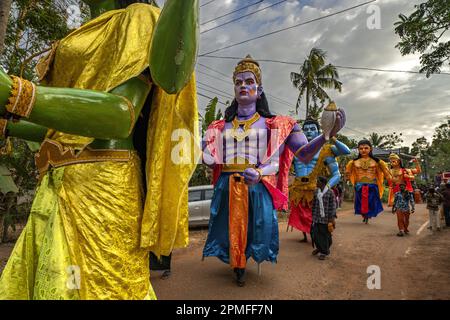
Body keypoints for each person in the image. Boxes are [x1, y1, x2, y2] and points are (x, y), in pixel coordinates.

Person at [0, 0, 198, 299]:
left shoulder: (138, 16)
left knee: (101, 288)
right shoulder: (79, 32)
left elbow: (121, 115)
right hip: (53, 190)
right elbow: (60, 129)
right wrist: (8, 125)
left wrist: (13, 93)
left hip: (103, 188)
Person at [202, 55, 346, 286]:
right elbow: (209, 160)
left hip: (257, 186)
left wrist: (326, 136)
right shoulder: (218, 125)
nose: (243, 86)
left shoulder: (279, 124)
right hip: (227, 185)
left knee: (257, 228)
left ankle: (245, 260)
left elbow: (304, 154)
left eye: (249, 81)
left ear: (259, 90)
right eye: (238, 82)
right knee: (228, 228)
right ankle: (237, 264)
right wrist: (205, 151)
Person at [288, 117, 350, 242]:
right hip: (298, 190)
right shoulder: (296, 150)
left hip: (316, 190)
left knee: (317, 216)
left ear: (318, 132)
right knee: (300, 215)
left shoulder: (325, 149)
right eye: (306, 130)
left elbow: (345, 155)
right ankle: (305, 236)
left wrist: (331, 137)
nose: (309, 132)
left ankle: (319, 237)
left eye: (312, 129)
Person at [345, 140, 392, 224]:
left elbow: (387, 174)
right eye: (361, 148)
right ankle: (365, 215)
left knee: (371, 203)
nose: (363, 150)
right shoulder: (352, 162)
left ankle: (368, 215)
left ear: (371, 149)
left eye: (366, 148)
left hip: (372, 186)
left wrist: (391, 180)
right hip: (359, 186)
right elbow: (347, 174)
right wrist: (347, 178)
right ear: (358, 150)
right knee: (360, 203)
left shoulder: (378, 162)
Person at [311, 176, 336, 260]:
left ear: (322, 183)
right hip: (316, 217)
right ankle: (319, 248)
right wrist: (312, 215)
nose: (316, 183)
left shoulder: (330, 192)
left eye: (318, 181)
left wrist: (331, 218)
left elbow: (332, 206)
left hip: (326, 219)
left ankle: (324, 252)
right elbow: (314, 204)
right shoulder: (316, 192)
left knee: (324, 235)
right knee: (315, 234)